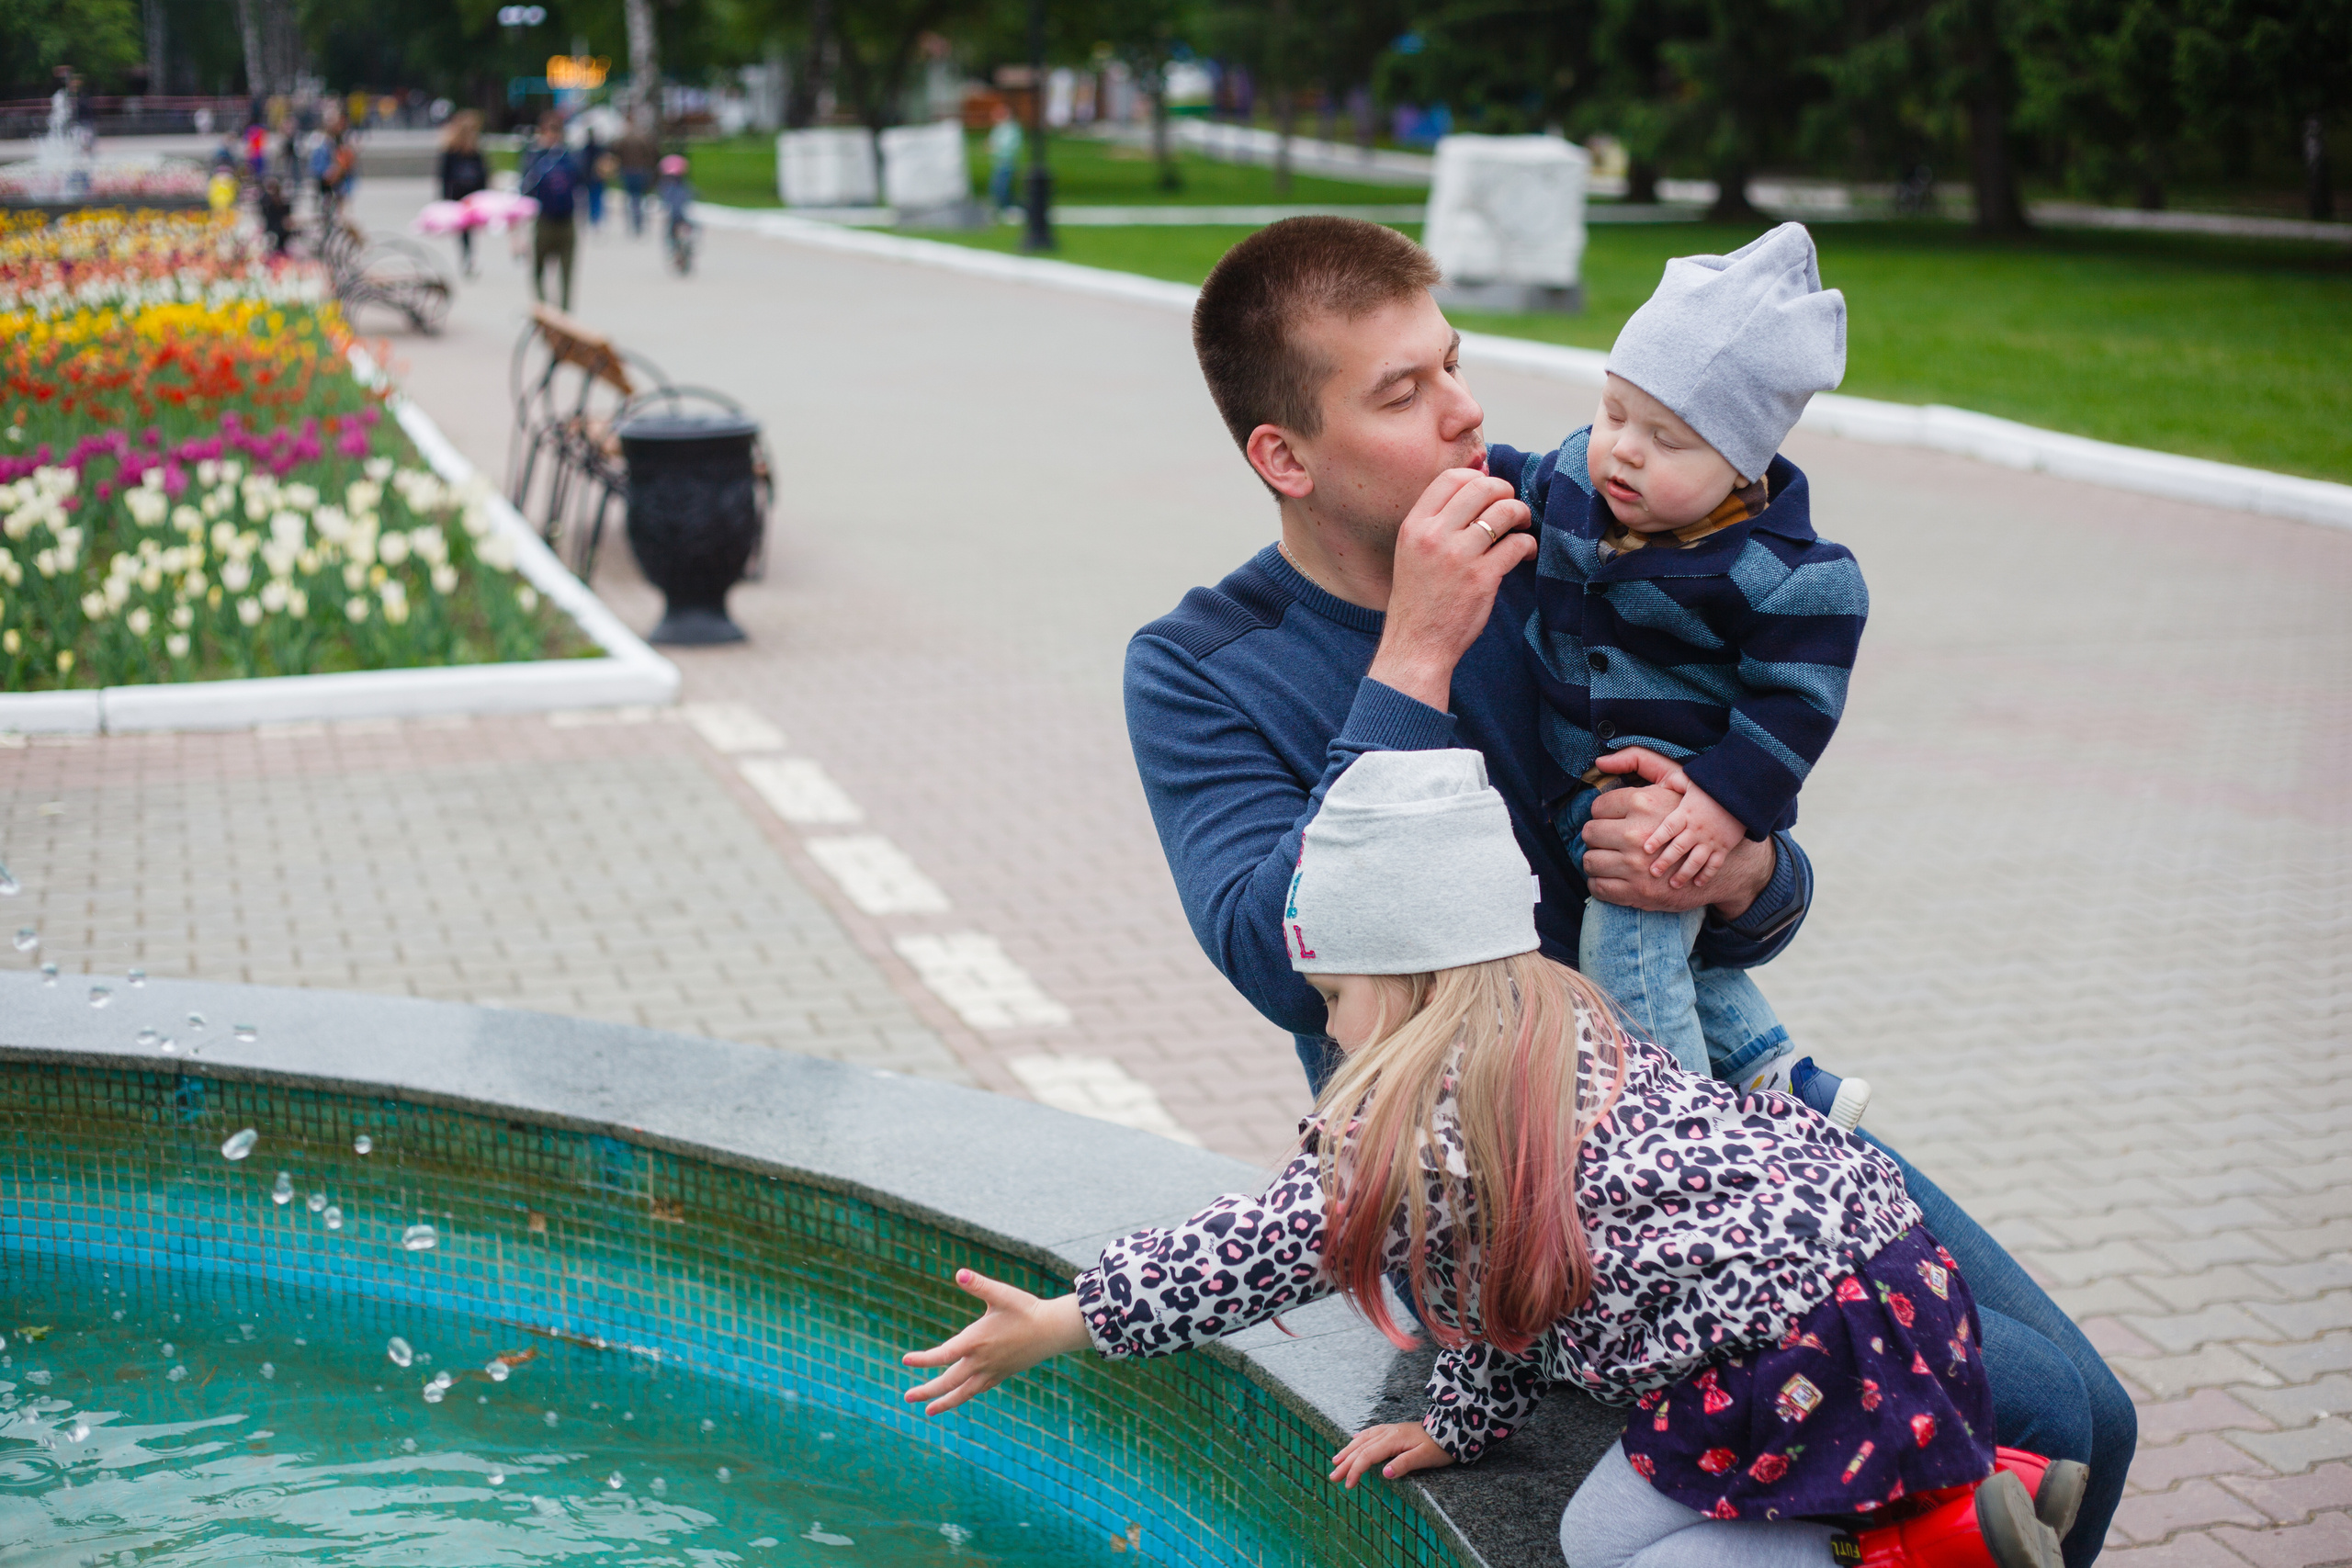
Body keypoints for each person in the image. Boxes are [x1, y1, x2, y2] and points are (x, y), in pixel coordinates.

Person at [1119, 217, 2133, 1566]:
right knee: (2038, 1405)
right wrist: (1414, 653)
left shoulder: (1572, 532)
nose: (1464, 410)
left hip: (1704, 1125)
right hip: (1516, 1188)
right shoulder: (1199, 667)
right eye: (1402, 392)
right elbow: (1275, 958)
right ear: (1284, 458)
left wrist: (1745, 862)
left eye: (1453, 363)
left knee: (2099, 1416)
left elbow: (1753, 837)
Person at [904, 750, 2086, 1568]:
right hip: (1890, 1279)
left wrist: (1063, 1322)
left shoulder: (1421, 1124)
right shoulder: (1552, 1030)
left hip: (1793, 1349)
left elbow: (1263, 1247)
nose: (1329, 1029)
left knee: (1611, 1550)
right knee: (1613, 1524)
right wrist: (1463, 1426)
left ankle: (1916, 1549)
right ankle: (1984, 1500)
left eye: (1334, 995)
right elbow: (1505, 1282)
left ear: (1410, 981)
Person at [1512, 221, 1871, 1126]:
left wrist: (1719, 805)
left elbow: (1797, 702)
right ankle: (1780, 1081)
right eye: (1615, 412)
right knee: (1684, 965)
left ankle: (1677, 1131)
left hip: (1672, 818)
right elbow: (1516, 478)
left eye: (1668, 439)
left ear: (1741, 463)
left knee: (1627, 952)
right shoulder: (1576, 481)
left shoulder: (1781, 574)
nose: (1624, 449)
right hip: (1587, 801)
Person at [518, 112, 582, 310]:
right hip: (544, 219)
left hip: (566, 219)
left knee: (567, 270)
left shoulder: (568, 156)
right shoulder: (535, 156)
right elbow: (525, 187)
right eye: (548, 131)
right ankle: (543, 308)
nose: (552, 136)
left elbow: (581, 179)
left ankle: (564, 313)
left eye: (556, 131)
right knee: (538, 267)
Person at [436, 110, 489, 276]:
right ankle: (467, 256)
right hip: (459, 195)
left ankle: (467, 256)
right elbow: (444, 176)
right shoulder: (452, 151)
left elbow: (483, 174)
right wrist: (445, 198)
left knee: (468, 229)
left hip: (472, 195)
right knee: (464, 229)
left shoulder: (475, 151)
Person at [614, 114, 659, 237]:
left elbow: (616, 153)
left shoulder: (624, 139)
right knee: (638, 197)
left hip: (628, 171)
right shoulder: (642, 138)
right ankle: (639, 223)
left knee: (632, 198)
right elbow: (651, 155)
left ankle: (634, 224)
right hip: (640, 171)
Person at [987, 100, 1023, 211]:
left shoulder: (1010, 128)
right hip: (999, 162)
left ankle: (1007, 207)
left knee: (1002, 186)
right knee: (997, 186)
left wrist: (994, 148)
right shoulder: (1000, 128)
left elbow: (1006, 145)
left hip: (1006, 162)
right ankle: (1003, 206)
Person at [581, 125, 609, 232]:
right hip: (597, 176)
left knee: (592, 198)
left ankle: (594, 218)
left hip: (591, 176)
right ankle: (596, 218)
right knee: (597, 197)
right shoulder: (598, 148)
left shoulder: (587, 149)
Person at [257, 176, 293, 252]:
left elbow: (288, 222)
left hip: (283, 235)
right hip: (270, 233)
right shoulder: (266, 205)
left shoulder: (285, 205)